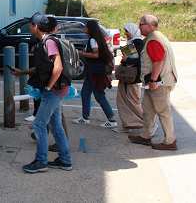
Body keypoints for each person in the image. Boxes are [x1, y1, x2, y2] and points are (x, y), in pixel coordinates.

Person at [13, 13, 72, 174]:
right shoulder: (45, 42)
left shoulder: (49, 42)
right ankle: (65, 160)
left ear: (36, 27)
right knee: (55, 124)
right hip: (57, 89)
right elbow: (43, 67)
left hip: (53, 90)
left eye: (31, 24)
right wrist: (23, 72)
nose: (30, 27)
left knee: (39, 124)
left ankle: (41, 161)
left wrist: (48, 87)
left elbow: (58, 67)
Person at [128, 14, 178, 150]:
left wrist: (153, 80)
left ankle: (170, 141)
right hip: (156, 82)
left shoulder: (153, 39)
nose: (139, 26)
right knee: (148, 109)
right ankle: (146, 135)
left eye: (141, 24)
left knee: (163, 111)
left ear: (150, 26)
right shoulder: (156, 36)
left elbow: (158, 60)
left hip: (159, 83)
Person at [73, 20, 117, 128]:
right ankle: (85, 117)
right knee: (89, 93)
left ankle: (111, 120)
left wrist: (81, 53)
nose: (84, 29)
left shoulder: (93, 40)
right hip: (96, 71)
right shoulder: (97, 39)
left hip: (95, 71)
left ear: (90, 29)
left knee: (96, 95)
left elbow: (96, 55)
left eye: (86, 27)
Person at [116, 23, 144, 131]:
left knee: (133, 102)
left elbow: (140, 60)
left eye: (127, 31)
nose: (126, 34)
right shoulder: (132, 42)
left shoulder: (138, 42)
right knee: (123, 101)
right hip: (126, 75)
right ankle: (129, 124)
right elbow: (126, 57)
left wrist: (126, 60)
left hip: (132, 77)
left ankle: (147, 123)